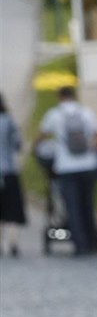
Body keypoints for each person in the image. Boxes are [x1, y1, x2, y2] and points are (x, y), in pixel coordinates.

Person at [38, 83, 97, 256]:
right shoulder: (86, 113)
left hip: (66, 167)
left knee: (72, 207)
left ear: (59, 97)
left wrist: (39, 151)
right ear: (74, 96)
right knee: (88, 205)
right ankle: (92, 243)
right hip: (88, 165)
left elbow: (41, 136)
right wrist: (91, 152)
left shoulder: (54, 114)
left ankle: (80, 245)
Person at [0, 95, 25, 256]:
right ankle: (13, 242)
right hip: (9, 170)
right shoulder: (9, 121)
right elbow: (18, 144)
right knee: (12, 210)